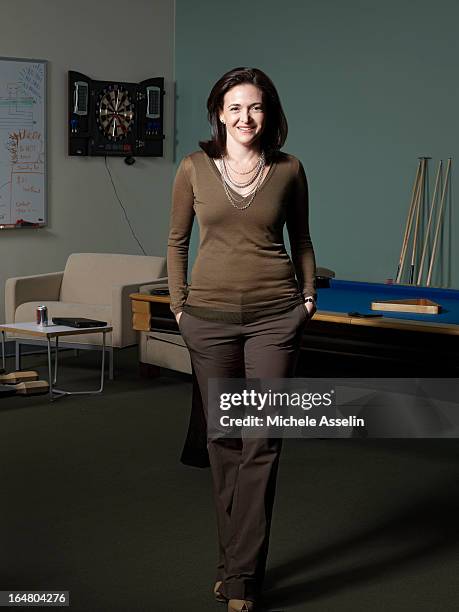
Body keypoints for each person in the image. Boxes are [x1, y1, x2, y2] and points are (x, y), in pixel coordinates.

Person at [167, 67, 316, 612]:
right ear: (218, 113)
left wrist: (306, 300)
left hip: (276, 318)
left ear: (268, 113)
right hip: (206, 320)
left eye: (254, 107)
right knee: (224, 441)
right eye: (234, 108)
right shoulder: (193, 168)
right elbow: (176, 242)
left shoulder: (290, 169)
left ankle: (242, 578)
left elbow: (301, 239)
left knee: (261, 441)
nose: (244, 118)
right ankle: (235, 567)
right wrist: (179, 308)